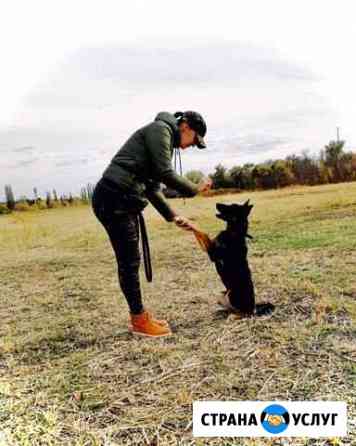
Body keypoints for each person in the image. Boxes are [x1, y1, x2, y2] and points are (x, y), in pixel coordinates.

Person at [91, 111, 212, 337]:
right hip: (115, 198)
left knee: (130, 261)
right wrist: (195, 188)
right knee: (129, 262)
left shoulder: (161, 136)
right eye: (194, 140)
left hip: (120, 199)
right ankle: (139, 321)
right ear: (185, 127)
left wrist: (173, 216)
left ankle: (140, 317)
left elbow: (152, 187)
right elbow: (164, 173)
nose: (190, 146)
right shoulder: (161, 130)